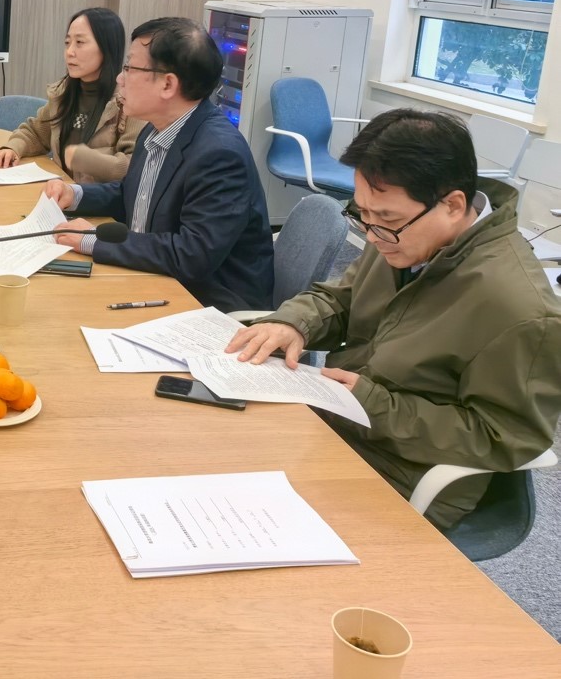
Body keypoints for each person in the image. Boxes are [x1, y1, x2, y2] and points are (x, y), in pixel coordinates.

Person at [226, 109, 561, 529]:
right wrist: (294, 323)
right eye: (363, 213)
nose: (371, 234)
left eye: (386, 218)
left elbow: (503, 437)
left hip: (400, 471)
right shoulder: (403, 236)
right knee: (211, 450)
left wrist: (375, 406)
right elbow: (342, 299)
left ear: (453, 205)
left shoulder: (520, 309)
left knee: (241, 516)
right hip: (336, 420)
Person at [46, 17, 273, 312]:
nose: (120, 79)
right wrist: (75, 194)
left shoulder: (219, 154)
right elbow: (134, 194)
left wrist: (93, 240)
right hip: (154, 277)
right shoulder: (156, 129)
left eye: (130, 68)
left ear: (168, 84)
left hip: (208, 305)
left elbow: (191, 256)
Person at [0, 8, 143, 184]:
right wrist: (13, 148)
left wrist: (85, 159)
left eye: (79, 42)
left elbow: (135, 166)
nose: (70, 52)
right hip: (60, 192)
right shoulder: (64, 93)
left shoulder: (129, 102)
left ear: (106, 47)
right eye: (67, 43)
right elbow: (36, 132)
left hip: (98, 199)